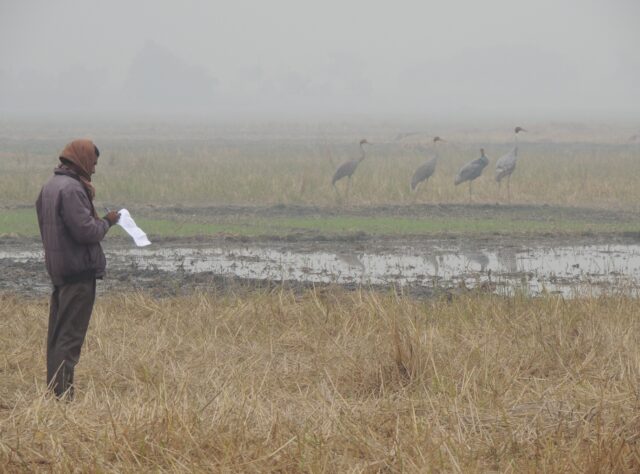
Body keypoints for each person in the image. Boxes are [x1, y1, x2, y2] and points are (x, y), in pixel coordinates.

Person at [35, 139, 120, 399]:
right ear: (82, 159)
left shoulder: (50, 186)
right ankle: (63, 396)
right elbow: (86, 232)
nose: (93, 169)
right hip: (77, 274)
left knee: (57, 335)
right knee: (70, 338)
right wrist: (107, 222)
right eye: (93, 163)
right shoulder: (72, 189)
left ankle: (55, 392)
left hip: (60, 271)